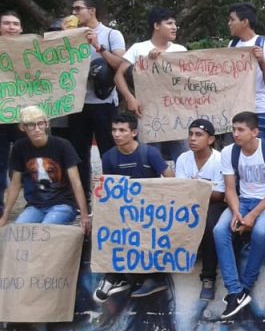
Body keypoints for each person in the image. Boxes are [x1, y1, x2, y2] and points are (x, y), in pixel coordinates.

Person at [93, 112, 174, 302]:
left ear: (134, 133)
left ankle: (152, 278)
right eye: (114, 130)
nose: (117, 134)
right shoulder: (108, 157)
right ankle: (116, 277)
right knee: (105, 227)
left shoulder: (150, 153)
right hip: (124, 211)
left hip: (152, 210)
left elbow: (171, 180)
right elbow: (111, 190)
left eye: (122, 130)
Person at [214, 111, 265, 319]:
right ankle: (234, 290)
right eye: (234, 129)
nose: (235, 134)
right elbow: (229, 189)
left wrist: (253, 215)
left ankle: (246, 286)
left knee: (261, 232)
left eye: (241, 130)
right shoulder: (229, 152)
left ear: (255, 132)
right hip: (242, 201)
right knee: (220, 230)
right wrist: (237, 213)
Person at [64, 0, 128, 199]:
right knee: (78, 155)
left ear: (91, 11)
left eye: (78, 9)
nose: (74, 13)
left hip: (103, 102)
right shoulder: (68, 35)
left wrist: (98, 46)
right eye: (72, 10)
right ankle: (82, 201)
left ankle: (113, 198)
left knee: (108, 151)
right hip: (76, 103)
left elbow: (121, 65)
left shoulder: (111, 34)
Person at [0, 106, 90, 234]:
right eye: (31, 125)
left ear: (46, 124)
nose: (37, 129)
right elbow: (15, 184)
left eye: (40, 124)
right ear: (22, 127)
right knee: (19, 230)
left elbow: (76, 182)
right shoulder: (20, 147)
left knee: (44, 230)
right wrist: (5, 215)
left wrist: (84, 215)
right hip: (35, 206)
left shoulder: (62, 145)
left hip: (62, 204)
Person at [115, 7, 188, 160]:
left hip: (177, 115)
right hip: (148, 114)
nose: (174, 27)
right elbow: (118, 76)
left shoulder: (180, 49)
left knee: (183, 158)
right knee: (149, 160)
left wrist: (165, 59)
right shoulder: (139, 48)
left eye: (175, 24)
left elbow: (186, 80)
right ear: (156, 26)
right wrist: (130, 98)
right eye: (169, 23)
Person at [174, 119, 227, 302]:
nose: (192, 138)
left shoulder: (220, 159)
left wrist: (195, 189)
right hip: (188, 203)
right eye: (190, 134)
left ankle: (208, 278)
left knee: (210, 225)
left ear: (210, 139)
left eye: (198, 135)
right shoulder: (183, 158)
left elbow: (220, 195)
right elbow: (181, 190)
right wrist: (203, 189)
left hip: (213, 205)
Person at [227, 3, 265, 141]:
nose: (229, 23)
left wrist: (262, 61)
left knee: (259, 151)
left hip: (258, 110)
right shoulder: (231, 46)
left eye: (232, 20)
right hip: (236, 110)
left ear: (244, 22)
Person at [0, 10, 25, 216]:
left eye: (15, 24)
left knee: (26, 158)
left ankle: (33, 202)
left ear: (21, 29)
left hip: (24, 116)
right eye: (6, 23)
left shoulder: (31, 50)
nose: (11, 27)